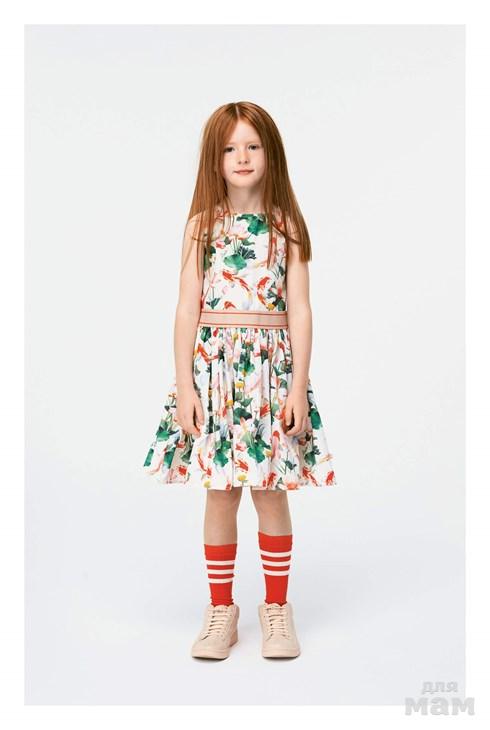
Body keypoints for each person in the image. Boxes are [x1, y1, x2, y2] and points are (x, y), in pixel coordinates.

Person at [143, 101, 338, 660]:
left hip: (270, 377)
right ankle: (220, 610)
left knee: (271, 491)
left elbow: (300, 310)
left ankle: (276, 608)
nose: (242, 156)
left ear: (270, 153)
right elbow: (186, 308)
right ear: (215, 158)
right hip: (216, 377)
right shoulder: (201, 227)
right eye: (230, 148)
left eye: (252, 145)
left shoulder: (286, 227)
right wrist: (185, 385)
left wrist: (298, 385)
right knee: (221, 493)